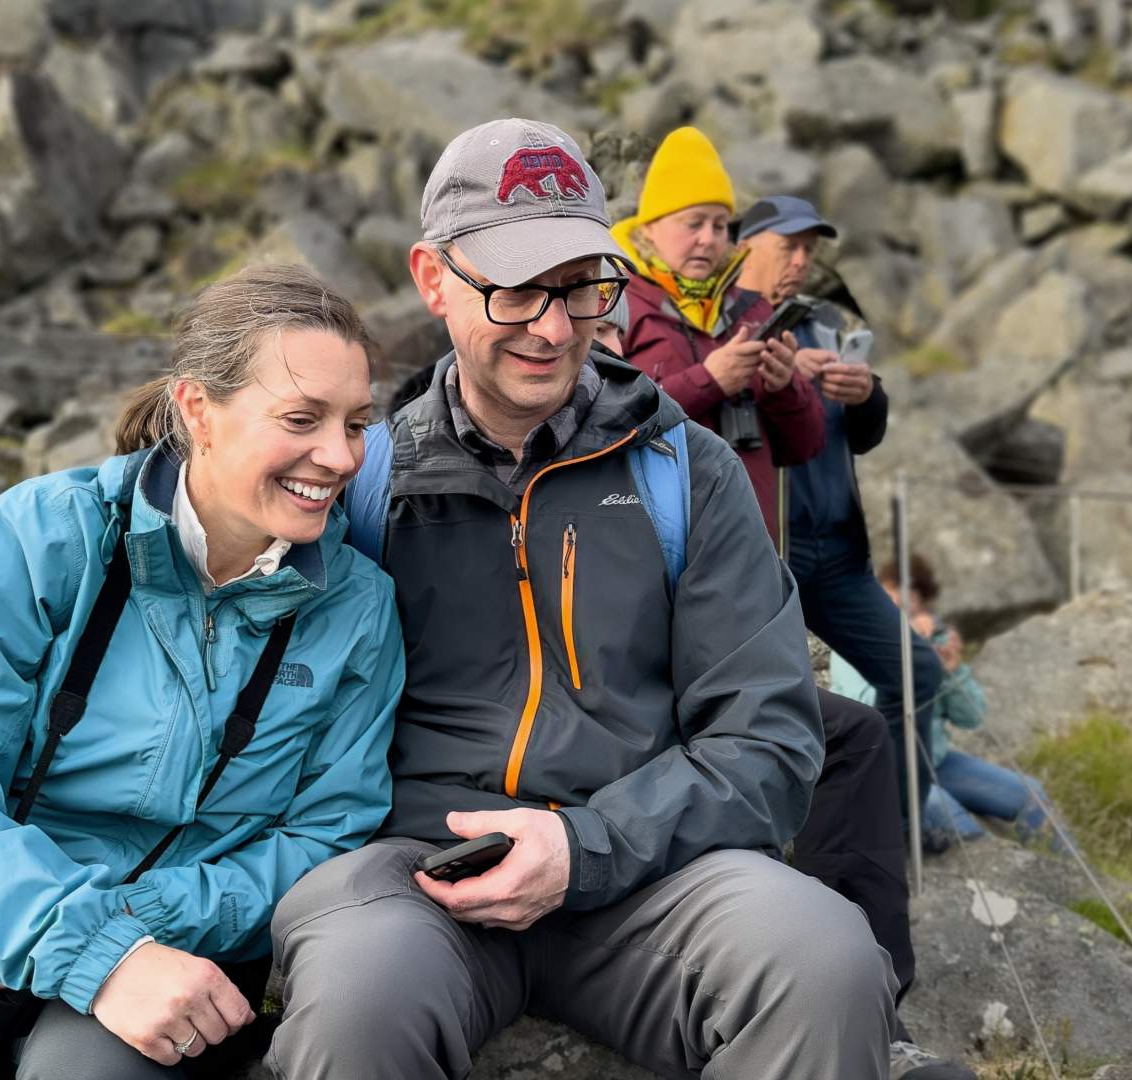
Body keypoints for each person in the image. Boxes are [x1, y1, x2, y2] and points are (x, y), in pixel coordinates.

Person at [266, 117, 898, 1080]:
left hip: (650, 874)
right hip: (414, 877)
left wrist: (585, 845)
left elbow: (769, 741)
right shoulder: (359, 482)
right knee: (355, 1006)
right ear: (432, 278)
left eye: (581, 287)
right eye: (516, 289)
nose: (555, 328)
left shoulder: (690, 474)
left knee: (827, 960)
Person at [0, 265, 405, 1080]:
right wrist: (76, 938)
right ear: (198, 410)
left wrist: (126, 929)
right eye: (302, 418)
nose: (339, 457)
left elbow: (324, 839)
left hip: (175, 961)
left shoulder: (358, 611)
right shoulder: (39, 538)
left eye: (357, 424)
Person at [736, 195, 973, 1080]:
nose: (800, 259)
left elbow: (865, 434)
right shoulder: (737, 326)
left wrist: (867, 396)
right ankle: (803, 868)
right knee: (787, 709)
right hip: (770, 553)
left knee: (917, 673)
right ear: (745, 247)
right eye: (786, 245)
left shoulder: (833, 323)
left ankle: (888, 836)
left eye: (809, 247)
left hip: (839, 554)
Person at [612, 127, 829, 545]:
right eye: (692, 223)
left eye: (718, 224)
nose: (708, 239)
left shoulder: (753, 307)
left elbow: (804, 447)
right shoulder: (616, 302)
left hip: (750, 543)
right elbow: (609, 423)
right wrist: (709, 382)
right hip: (656, 546)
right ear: (650, 227)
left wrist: (785, 387)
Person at [832, 556, 1059, 853]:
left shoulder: (926, 651)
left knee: (1031, 794)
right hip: (885, 769)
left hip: (935, 760)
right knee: (955, 820)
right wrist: (906, 652)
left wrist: (950, 672)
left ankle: (1079, 887)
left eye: (909, 602)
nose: (898, 609)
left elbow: (973, 718)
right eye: (890, 599)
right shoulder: (853, 642)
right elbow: (870, 712)